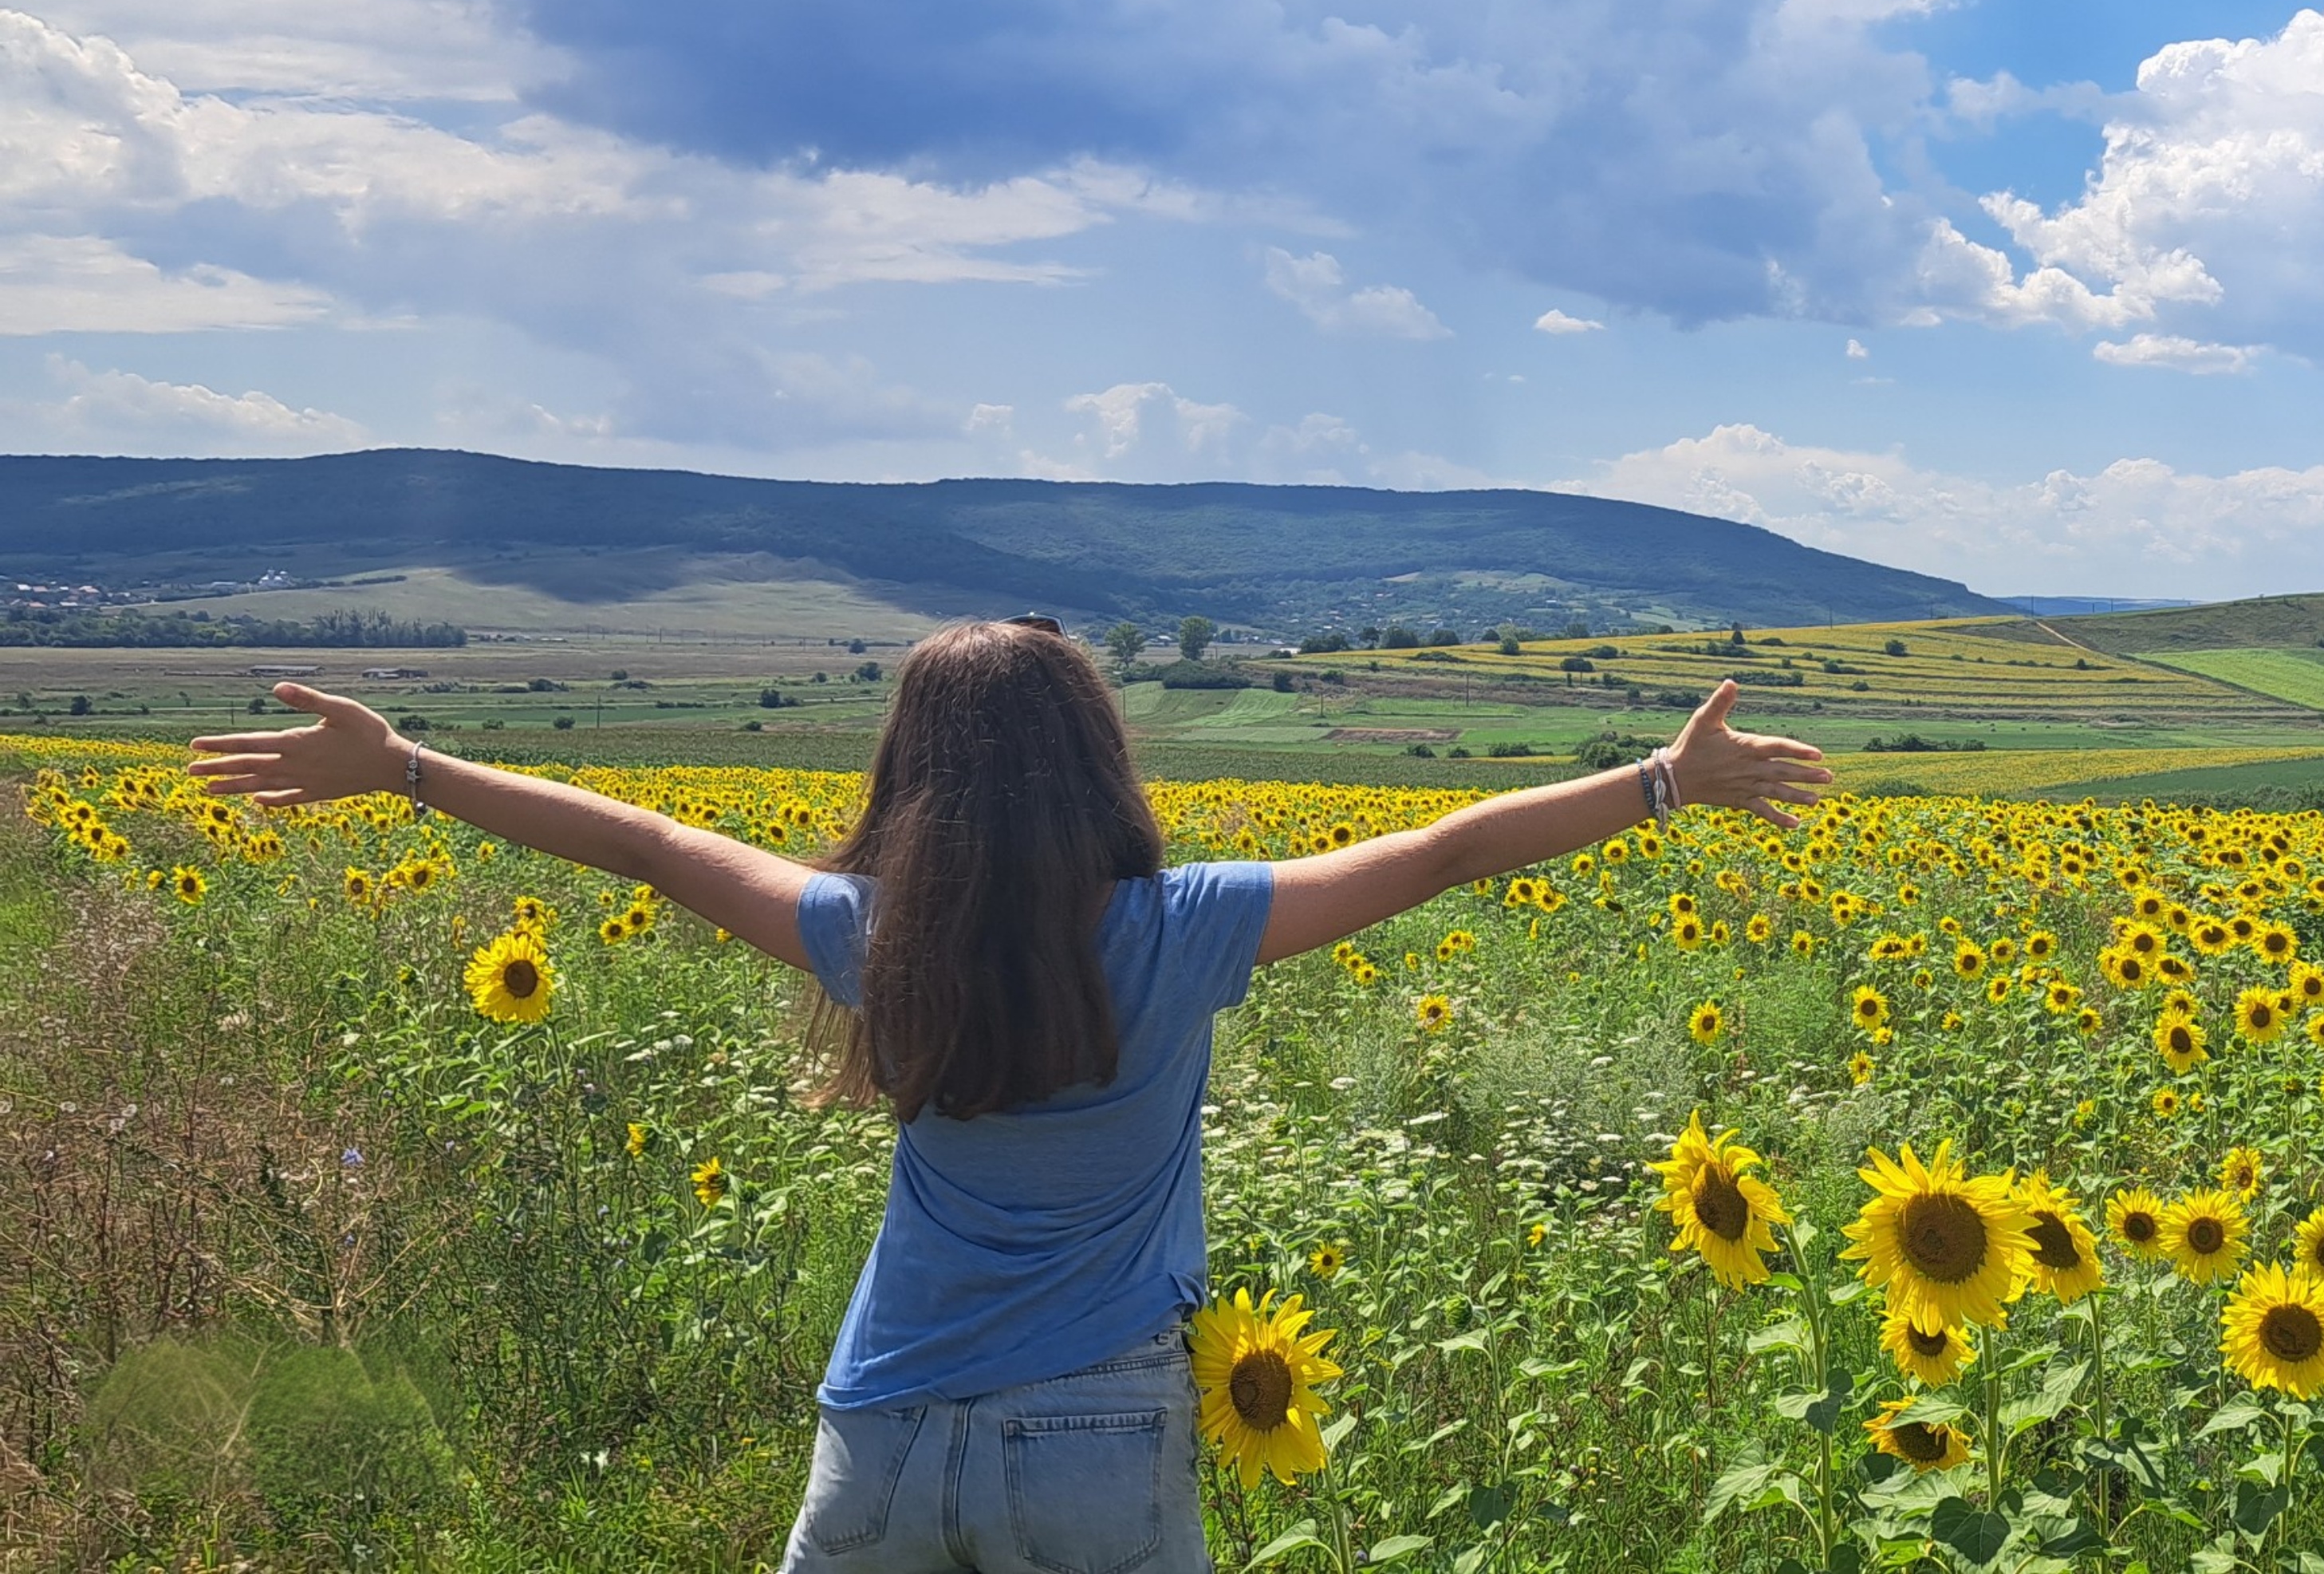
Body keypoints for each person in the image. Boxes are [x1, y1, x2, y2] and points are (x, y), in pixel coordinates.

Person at [183, 619, 1831, 1572]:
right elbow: (1443, 846)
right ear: (1097, 760)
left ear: (908, 770)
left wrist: (402, 768)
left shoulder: (866, 933)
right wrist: (1664, 781)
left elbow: (641, 842)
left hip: (885, 1421)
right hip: (1105, 1431)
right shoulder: (1184, 929)